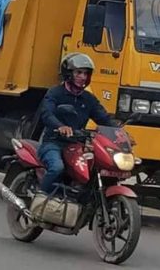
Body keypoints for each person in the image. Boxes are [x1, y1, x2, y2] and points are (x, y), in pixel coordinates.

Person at [37, 52, 113, 194]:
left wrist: (120, 133)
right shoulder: (55, 93)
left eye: (86, 73)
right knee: (57, 167)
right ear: (68, 73)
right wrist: (60, 127)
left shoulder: (88, 99)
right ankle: (40, 198)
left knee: (92, 171)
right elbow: (47, 114)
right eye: (78, 72)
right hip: (53, 143)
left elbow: (104, 119)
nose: (82, 77)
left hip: (76, 146)